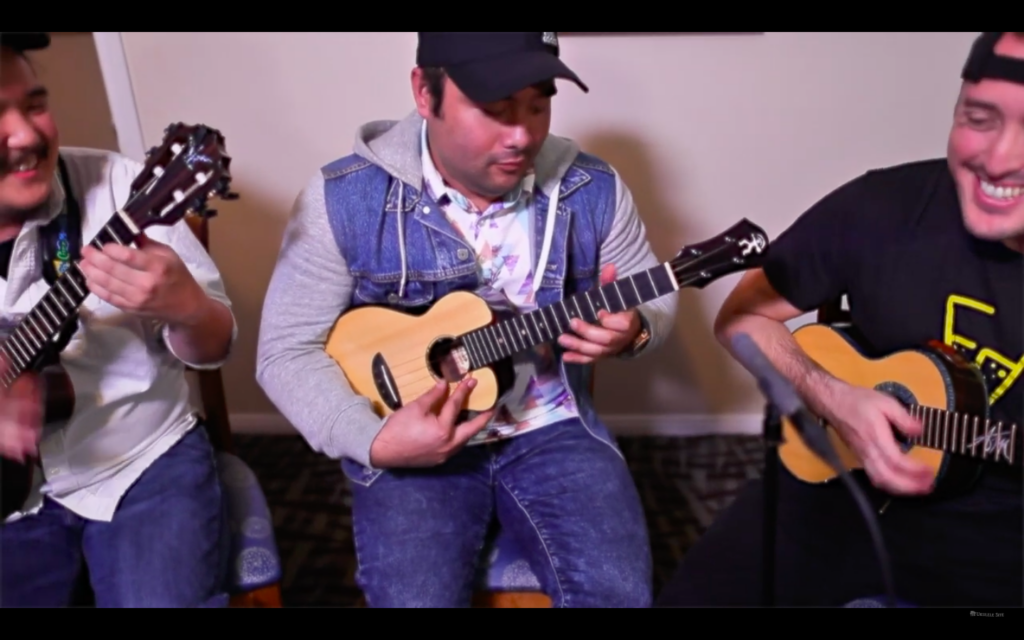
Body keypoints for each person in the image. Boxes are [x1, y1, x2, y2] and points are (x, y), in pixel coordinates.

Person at [257, 31, 677, 607]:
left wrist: (638, 328)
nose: (523, 134)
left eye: (537, 104)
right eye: (495, 109)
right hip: (406, 437)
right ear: (424, 94)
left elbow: (653, 294)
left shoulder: (592, 187)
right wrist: (375, 441)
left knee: (617, 596)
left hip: (550, 428)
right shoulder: (344, 199)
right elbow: (285, 351)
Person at [657, 31, 1024, 608]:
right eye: (978, 118)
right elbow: (742, 318)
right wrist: (831, 396)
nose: (999, 158)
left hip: (998, 545)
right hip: (831, 490)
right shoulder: (882, 205)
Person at [0, 32, 237, 607]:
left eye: (34, 104)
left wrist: (188, 308)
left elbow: (218, 342)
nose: (28, 135)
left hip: (142, 465)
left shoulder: (122, 190)